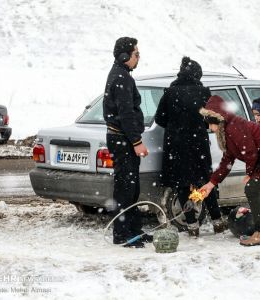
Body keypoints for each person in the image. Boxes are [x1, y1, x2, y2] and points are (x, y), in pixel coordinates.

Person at [199, 95, 260, 246]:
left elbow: (249, 152)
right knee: (254, 190)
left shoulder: (234, 127)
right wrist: (211, 183)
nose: (210, 128)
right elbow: (227, 161)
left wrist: (249, 173)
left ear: (218, 118)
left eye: (210, 124)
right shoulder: (228, 129)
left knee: (251, 189)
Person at [154, 57, 226, 237]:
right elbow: (213, 117)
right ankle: (217, 220)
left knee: (182, 185)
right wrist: (197, 125)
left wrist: (176, 125)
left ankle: (192, 225)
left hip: (176, 146)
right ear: (196, 75)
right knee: (204, 182)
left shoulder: (169, 93)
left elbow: (159, 119)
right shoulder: (203, 92)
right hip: (198, 145)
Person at [103, 37, 151, 248]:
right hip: (122, 140)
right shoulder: (122, 78)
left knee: (132, 187)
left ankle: (134, 230)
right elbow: (126, 114)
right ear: (125, 56)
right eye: (136, 54)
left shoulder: (121, 75)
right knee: (125, 188)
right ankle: (122, 235)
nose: (138, 58)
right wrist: (137, 141)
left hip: (122, 139)